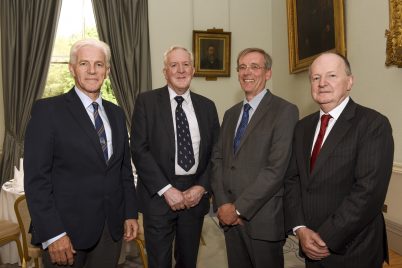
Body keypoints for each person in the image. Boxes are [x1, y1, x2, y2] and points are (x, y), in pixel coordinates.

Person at [24, 39, 139, 268]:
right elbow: (37, 180)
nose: (92, 71)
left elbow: (123, 170)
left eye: (99, 64)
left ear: (107, 70)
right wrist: (54, 234)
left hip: (110, 231)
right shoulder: (48, 111)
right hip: (66, 234)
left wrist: (129, 213)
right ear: (72, 67)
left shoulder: (117, 114)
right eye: (84, 63)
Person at [284, 52, 394, 268]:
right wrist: (300, 229)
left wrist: (325, 238)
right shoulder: (302, 127)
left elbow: (368, 192)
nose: (322, 83)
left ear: (349, 82)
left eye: (332, 76)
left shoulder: (373, 125)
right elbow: (292, 180)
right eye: (315, 78)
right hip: (309, 243)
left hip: (354, 248)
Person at [130, 46, 220, 268]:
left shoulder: (207, 106)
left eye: (186, 64)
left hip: (194, 198)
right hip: (159, 197)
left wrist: (201, 187)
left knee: (188, 261)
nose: (181, 70)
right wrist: (166, 190)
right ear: (165, 71)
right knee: (159, 262)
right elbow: (139, 149)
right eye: (174, 65)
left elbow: (216, 153)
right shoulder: (146, 102)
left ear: (194, 69)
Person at [211, 48, 299, 268]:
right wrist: (222, 204)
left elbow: (276, 169)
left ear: (267, 73)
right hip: (229, 217)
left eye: (254, 67)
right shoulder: (231, 114)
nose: (247, 72)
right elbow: (218, 160)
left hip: (263, 218)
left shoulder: (285, 111)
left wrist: (238, 209)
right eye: (242, 67)